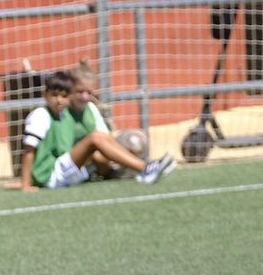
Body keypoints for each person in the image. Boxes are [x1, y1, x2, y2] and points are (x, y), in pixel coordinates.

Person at [18, 70, 175, 192]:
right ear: (45, 95)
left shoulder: (65, 114)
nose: (59, 100)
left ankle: (138, 170)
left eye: (64, 96)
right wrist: (25, 184)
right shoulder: (41, 115)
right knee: (95, 138)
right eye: (54, 95)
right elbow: (29, 150)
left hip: (63, 171)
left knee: (100, 141)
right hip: (51, 175)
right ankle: (146, 169)